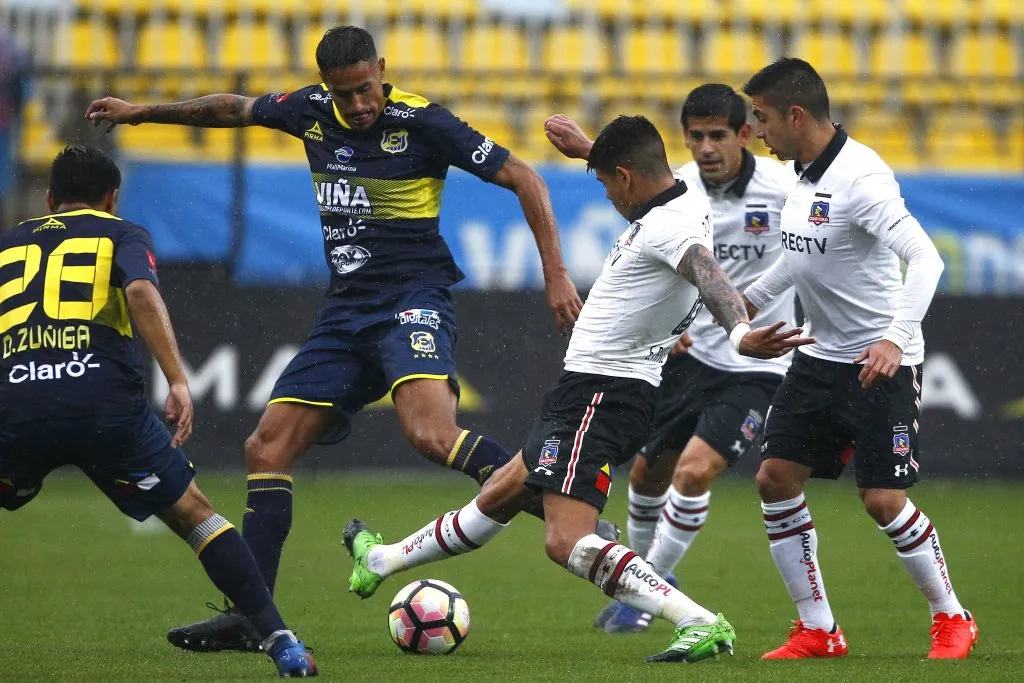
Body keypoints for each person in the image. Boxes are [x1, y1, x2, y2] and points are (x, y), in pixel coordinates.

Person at [84, 25, 586, 651]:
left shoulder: (423, 121)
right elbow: (232, 110)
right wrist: (141, 113)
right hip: (345, 314)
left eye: (365, 89)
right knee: (265, 448)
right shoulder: (310, 111)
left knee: (431, 433)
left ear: (382, 68)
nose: (357, 105)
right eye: (343, 94)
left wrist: (556, 273)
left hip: (412, 299)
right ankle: (251, 617)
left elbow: (525, 177)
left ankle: (558, 498)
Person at [343, 115, 814, 663]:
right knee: (500, 491)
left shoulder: (669, 226)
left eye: (607, 183)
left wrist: (738, 332)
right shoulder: (684, 196)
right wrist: (592, 151)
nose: (608, 196)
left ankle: (699, 620)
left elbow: (705, 270)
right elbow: (645, 175)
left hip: (602, 393)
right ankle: (383, 562)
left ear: (627, 177)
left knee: (564, 540)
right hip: (596, 389)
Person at [0, 146, 316, 678]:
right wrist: (176, 379)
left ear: (51, 199)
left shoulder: (7, 243)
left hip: (16, 404)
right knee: (196, 516)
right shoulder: (121, 232)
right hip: (102, 406)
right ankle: (281, 641)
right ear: (112, 199)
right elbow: (142, 291)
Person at [739, 58, 976, 660]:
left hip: (881, 362)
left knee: (882, 501)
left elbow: (925, 259)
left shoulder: (861, 178)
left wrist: (896, 338)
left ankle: (952, 617)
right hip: (819, 358)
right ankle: (818, 629)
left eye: (763, 118)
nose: (758, 132)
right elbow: (799, 259)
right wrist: (747, 304)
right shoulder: (799, 174)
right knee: (774, 479)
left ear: (796, 115)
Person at [546, 84, 797, 634]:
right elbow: (640, 193)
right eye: (696, 135)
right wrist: (591, 149)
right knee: (646, 471)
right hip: (689, 354)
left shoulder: (784, 189)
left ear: (745, 135)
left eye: (718, 135)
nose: (706, 147)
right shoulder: (681, 189)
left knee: (693, 471)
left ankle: (647, 587)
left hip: (754, 358)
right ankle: (650, 580)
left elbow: (807, 243)